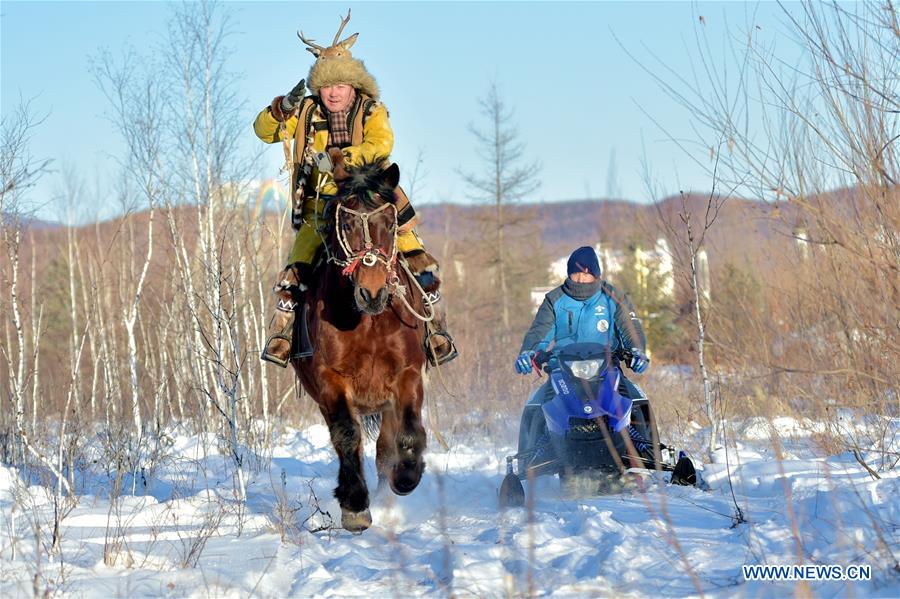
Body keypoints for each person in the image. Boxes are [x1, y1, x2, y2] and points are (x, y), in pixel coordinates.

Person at [253, 12, 456, 368]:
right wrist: (281, 108)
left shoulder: (372, 110)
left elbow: (382, 144)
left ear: (353, 86)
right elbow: (263, 132)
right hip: (321, 205)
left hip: (369, 196)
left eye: (340, 86)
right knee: (298, 265)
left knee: (413, 252)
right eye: (327, 87)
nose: (333, 93)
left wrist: (340, 160)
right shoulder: (303, 113)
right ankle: (283, 332)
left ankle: (435, 328)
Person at [514, 246, 651, 458]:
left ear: (596, 275)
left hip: (607, 367)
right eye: (576, 274)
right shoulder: (554, 299)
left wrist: (637, 350)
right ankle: (528, 461)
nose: (581, 279)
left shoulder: (613, 297)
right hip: (563, 369)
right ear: (568, 274)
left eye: (587, 274)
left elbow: (630, 329)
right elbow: (539, 332)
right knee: (536, 405)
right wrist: (529, 353)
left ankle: (648, 453)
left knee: (636, 399)